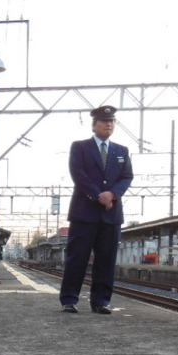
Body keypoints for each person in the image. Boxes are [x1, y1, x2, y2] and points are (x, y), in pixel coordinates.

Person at [59, 105, 134, 314]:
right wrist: (99, 196)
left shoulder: (121, 151)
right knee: (77, 258)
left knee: (106, 260)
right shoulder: (80, 147)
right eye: (103, 121)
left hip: (111, 215)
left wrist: (113, 194)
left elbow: (127, 176)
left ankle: (101, 301)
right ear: (94, 125)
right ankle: (69, 299)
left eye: (112, 121)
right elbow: (78, 173)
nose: (108, 124)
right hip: (84, 213)